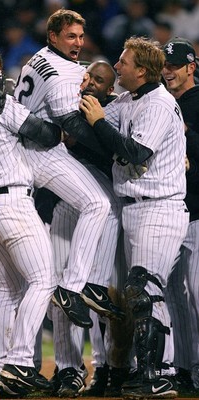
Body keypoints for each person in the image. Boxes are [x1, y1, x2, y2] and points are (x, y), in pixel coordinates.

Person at [80, 36, 189, 399]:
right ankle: (144, 371)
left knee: (146, 293)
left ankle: (160, 373)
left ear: (142, 70)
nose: (117, 66)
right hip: (134, 207)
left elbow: (135, 151)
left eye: (124, 62)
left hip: (159, 206)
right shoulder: (129, 99)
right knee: (138, 295)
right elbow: (89, 124)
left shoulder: (158, 103)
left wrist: (97, 122)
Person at [13, 7, 124, 331]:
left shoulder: (39, 59)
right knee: (98, 203)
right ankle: (73, 286)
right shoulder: (63, 71)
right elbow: (75, 126)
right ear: (53, 36)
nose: (77, 42)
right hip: (40, 151)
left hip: (24, 150)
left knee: (105, 203)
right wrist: (114, 149)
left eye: (80, 36)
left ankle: (84, 284)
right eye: (70, 36)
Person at [0, 46, 64, 397]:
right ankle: (20, 363)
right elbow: (46, 134)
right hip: (13, 204)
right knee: (43, 281)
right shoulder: (0, 103)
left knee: (7, 291)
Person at [47, 60, 127, 398]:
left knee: (103, 295)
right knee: (63, 291)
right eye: (88, 76)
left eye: (99, 80)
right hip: (67, 204)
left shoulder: (110, 112)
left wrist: (82, 125)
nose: (90, 82)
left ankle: (110, 366)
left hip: (107, 205)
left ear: (110, 89)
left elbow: (112, 150)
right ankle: (68, 369)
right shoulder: (67, 104)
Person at [162, 37, 199, 393]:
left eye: (174, 65)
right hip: (174, 211)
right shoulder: (163, 103)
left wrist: (185, 136)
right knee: (173, 295)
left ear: (191, 66)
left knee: (197, 292)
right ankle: (185, 368)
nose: (167, 71)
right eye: (164, 65)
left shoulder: (195, 102)